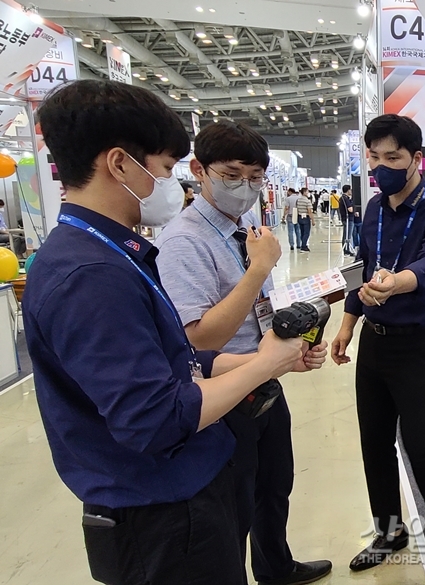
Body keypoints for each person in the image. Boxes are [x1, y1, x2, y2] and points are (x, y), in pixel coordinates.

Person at [23, 79, 323, 585]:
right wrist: (265, 363)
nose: (170, 185)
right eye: (164, 170)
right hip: (161, 512)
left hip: (186, 490)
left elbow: (178, 359)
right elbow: (157, 417)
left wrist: (265, 360)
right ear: (120, 164)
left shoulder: (114, 252)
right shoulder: (90, 275)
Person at [155, 120, 331, 585]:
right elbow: (199, 338)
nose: (245, 188)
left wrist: (292, 347)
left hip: (264, 375)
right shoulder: (183, 241)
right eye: (232, 175)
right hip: (224, 392)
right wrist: (259, 269)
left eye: (255, 178)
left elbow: (262, 304)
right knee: (232, 502)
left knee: (275, 485)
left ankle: (276, 566)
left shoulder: (246, 224)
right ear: (199, 170)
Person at [330, 114, 425, 571]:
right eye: (374, 157)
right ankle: (390, 531)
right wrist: (347, 326)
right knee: (374, 441)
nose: (381, 167)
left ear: (415, 159)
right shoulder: (374, 208)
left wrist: (394, 282)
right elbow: (362, 267)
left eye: (392, 158)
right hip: (374, 343)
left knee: (421, 443)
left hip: (419, 344)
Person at [294, 187, 314, 252]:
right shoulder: (307, 201)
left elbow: (297, 208)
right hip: (306, 217)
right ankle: (303, 246)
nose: (308, 193)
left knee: (302, 232)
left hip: (300, 217)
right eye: (307, 192)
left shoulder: (298, 200)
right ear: (304, 192)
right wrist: (313, 220)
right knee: (306, 233)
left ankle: (303, 244)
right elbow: (309, 211)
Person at [339, 185, 355, 256]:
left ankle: (347, 249)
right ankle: (346, 250)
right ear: (348, 190)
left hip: (347, 219)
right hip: (348, 219)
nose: (351, 191)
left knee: (347, 234)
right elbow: (350, 209)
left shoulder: (344, 198)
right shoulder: (345, 199)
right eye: (350, 190)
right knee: (347, 235)